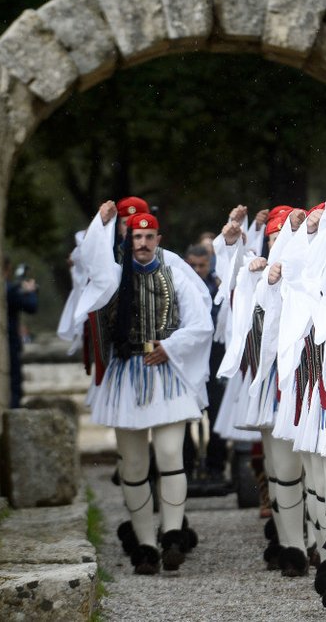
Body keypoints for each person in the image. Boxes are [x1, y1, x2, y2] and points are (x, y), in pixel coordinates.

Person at [72, 201, 213, 575]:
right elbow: (91, 262)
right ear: (128, 237)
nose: (143, 244)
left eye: (149, 237)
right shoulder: (114, 273)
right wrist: (101, 223)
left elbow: (201, 321)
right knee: (133, 464)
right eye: (137, 236)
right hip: (126, 375)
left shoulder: (175, 272)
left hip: (165, 370)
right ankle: (145, 545)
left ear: (158, 238)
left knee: (170, 454)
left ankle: (171, 538)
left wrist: (172, 346)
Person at [186, 243, 227, 482]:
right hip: (190, 356)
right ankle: (187, 467)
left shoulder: (216, 285)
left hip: (214, 355)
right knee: (186, 414)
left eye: (202, 265)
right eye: (193, 265)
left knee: (216, 413)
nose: (198, 269)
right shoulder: (180, 284)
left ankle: (216, 468)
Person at [5, 258, 38, 408]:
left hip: (9, 342)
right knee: (14, 384)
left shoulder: (9, 288)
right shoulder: (10, 290)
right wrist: (30, 292)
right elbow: (31, 307)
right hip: (10, 343)